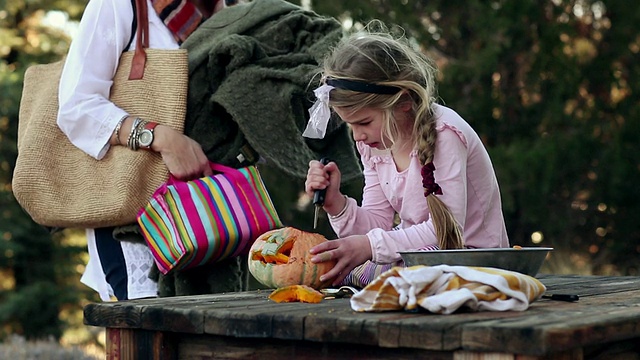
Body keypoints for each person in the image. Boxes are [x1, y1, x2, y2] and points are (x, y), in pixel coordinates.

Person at [57, 0, 362, 300]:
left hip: (213, 215)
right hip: (137, 213)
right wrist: (163, 138)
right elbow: (76, 107)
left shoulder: (243, 13)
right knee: (147, 333)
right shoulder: (123, 5)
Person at [303, 22, 510, 288]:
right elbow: (378, 224)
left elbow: (443, 232)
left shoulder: (444, 134)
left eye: (364, 122)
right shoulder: (374, 144)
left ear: (403, 103)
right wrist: (337, 204)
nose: (357, 136)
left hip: (471, 259)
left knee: (376, 276)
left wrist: (369, 246)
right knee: (337, 272)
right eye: (350, 125)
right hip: (416, 255)